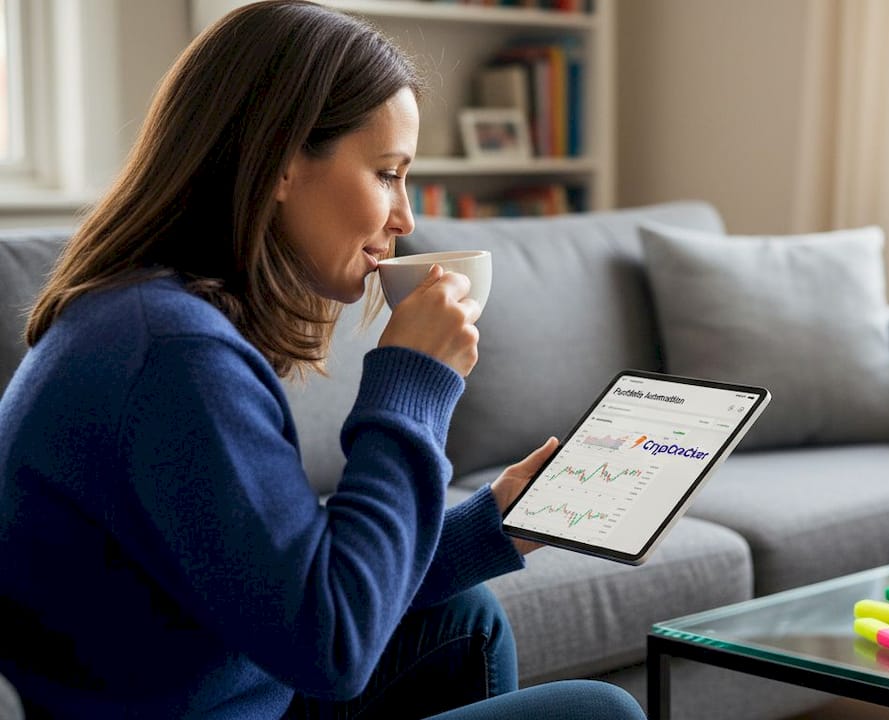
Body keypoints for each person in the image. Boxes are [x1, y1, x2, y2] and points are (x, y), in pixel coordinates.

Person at [0, 2, 646, 719]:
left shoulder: (147, 317)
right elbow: (332, 644)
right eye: (387, 173)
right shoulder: (174, 358)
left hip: (229, 686)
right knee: (600, 713)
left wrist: (498, 523)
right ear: (280, 163)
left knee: (464, 617)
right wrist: (410, 382)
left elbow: (293, 584)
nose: (404, 218)